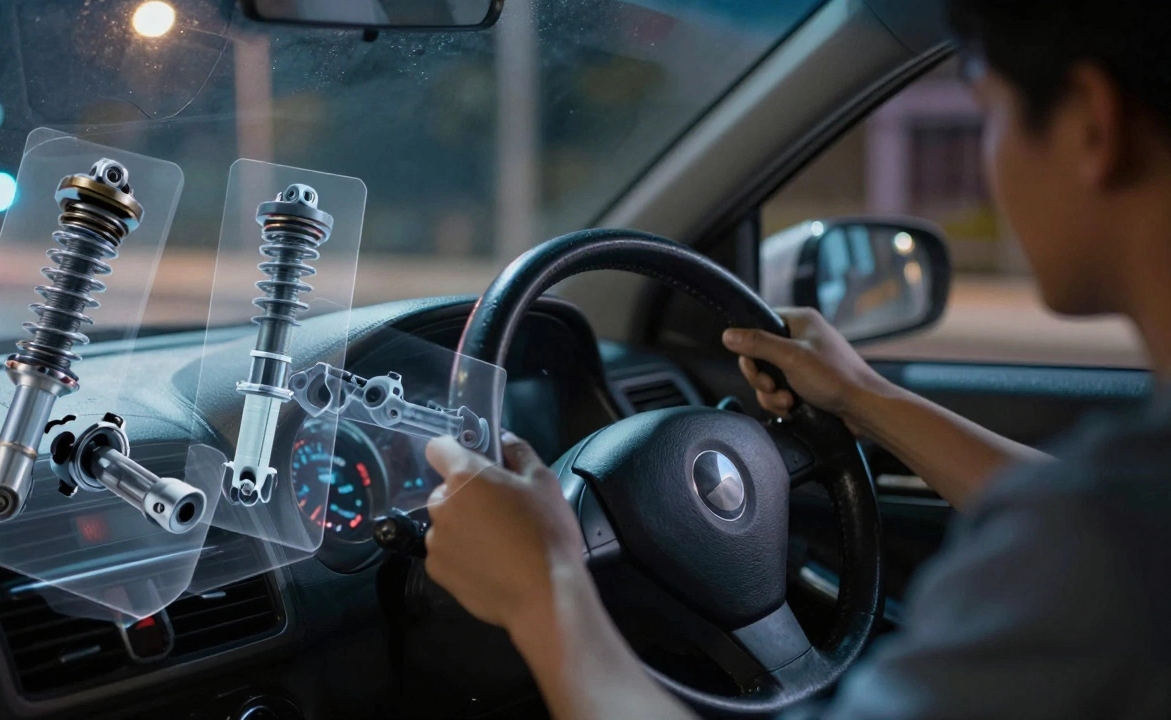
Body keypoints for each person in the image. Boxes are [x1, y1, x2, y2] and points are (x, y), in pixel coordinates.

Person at [422, 0, 1171, 717]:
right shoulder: (1117, 511)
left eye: (988, 108)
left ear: (1089, 124)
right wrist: (864, 398)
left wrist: (545, 587)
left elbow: (1093, 528)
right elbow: (1078, 506)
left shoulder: (1096, 547)